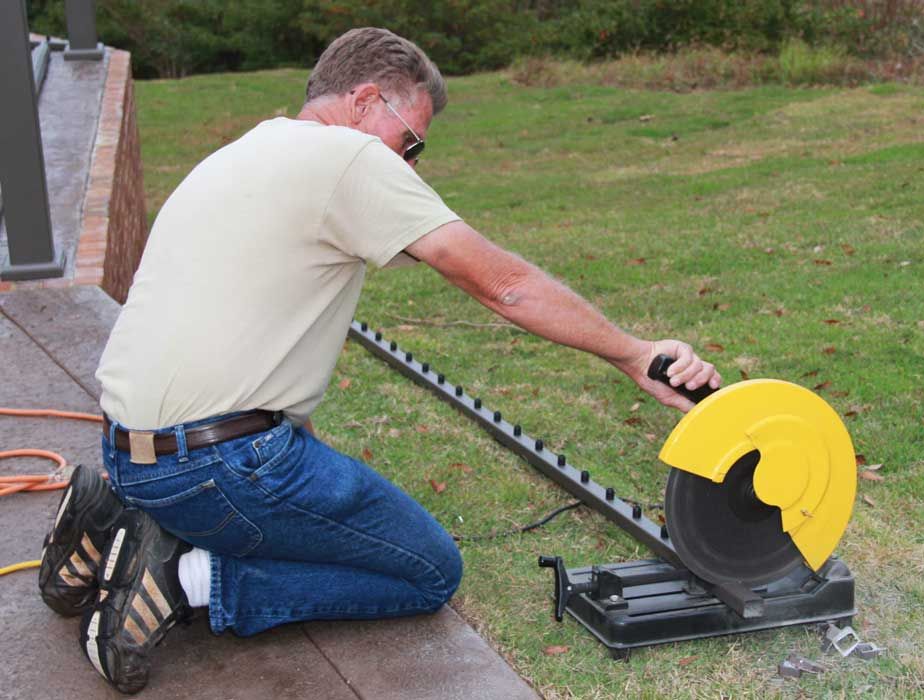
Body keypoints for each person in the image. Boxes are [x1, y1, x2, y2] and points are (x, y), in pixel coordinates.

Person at [37, 27, 721, 694]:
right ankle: (180, 577)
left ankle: (114, 520)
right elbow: (505, 284)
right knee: (424, 571)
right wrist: (635, 354)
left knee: (316, 509)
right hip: (214, 467)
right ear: (364, 101)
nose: (411, 164)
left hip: (130, 453)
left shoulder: (246, 151)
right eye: (412, 142)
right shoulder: (347, 159)